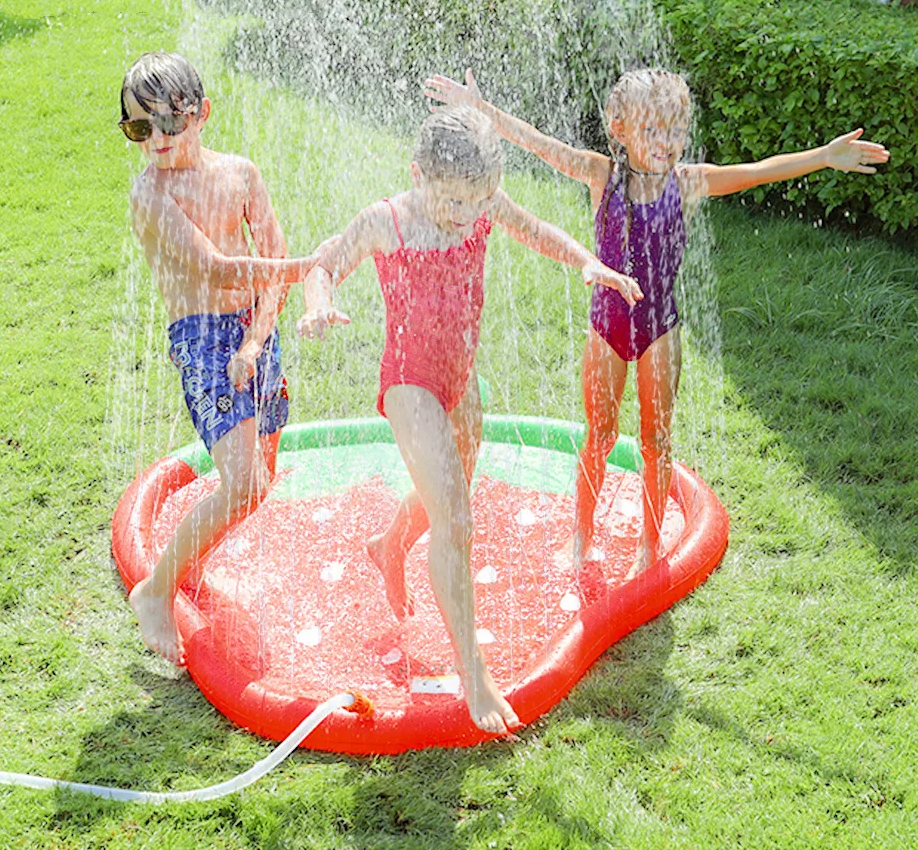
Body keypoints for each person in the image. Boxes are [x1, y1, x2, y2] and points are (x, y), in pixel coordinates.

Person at [425, 67, 889, 577]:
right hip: (606, 329)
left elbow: (758, 170)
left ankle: (649, 547)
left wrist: (824, 156)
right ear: (620, 129)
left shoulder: (686, 183)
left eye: (675, 131)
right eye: (652, 131)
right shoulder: (602, 175)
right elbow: (539, 144)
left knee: (656, 441)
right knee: (599, 437)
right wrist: (481, 109)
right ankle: (580, 536)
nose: (666, 143)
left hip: (660, 331)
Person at [296, 105, 642, 734]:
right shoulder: (387, 221)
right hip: (411, 384)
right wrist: (319, 304)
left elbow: (534, 229)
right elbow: (324, 266)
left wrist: (584, 261)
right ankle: (474, 674)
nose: (464, 213)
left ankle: (389, 544)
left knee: (446, 501)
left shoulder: (482, 202)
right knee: (457, 520)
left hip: (462, 379)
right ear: (418, 174)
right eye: (452, 200)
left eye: (477, 200)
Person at [121, 52, 320, 664]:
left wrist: (257, 341)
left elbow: (272, 262)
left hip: (255, 329)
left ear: (201, 113)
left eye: (168, 122)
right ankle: (155, 591)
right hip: (202, 339)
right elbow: (216, 268)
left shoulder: (240, 175)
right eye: (138, 128)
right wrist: (314, 266)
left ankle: (189, 564)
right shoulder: (150, 193)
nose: (155, 139)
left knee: (257, 484)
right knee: (244, 484)